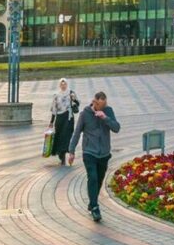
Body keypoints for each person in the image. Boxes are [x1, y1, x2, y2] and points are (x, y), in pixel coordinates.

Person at [70, 91, 120, 222]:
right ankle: (95, 208)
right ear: (95, 102)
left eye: (104, 105)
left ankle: (92, 202)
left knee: (99, 179)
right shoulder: (85, 114)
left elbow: (117, 128)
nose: (102, 107)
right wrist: (71, 151)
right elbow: (76, 133)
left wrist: (105, 117)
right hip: (89, 152)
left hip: (104, 153)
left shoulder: (108, 111)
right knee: (92, 177)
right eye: (100, 105)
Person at [47, 79, 78, 166]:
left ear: (67, 85)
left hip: (68, 118)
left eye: (65, 84)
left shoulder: (71, 93)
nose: (63, 86)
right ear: (59, 85)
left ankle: (64, 154)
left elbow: (78, 103)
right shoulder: (56, 95)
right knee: (59, 136)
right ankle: (61, 155)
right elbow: (54, 109)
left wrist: (74, 99)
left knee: (66, 136)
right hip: (60, 119)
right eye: (62, 84)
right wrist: (51, 122)